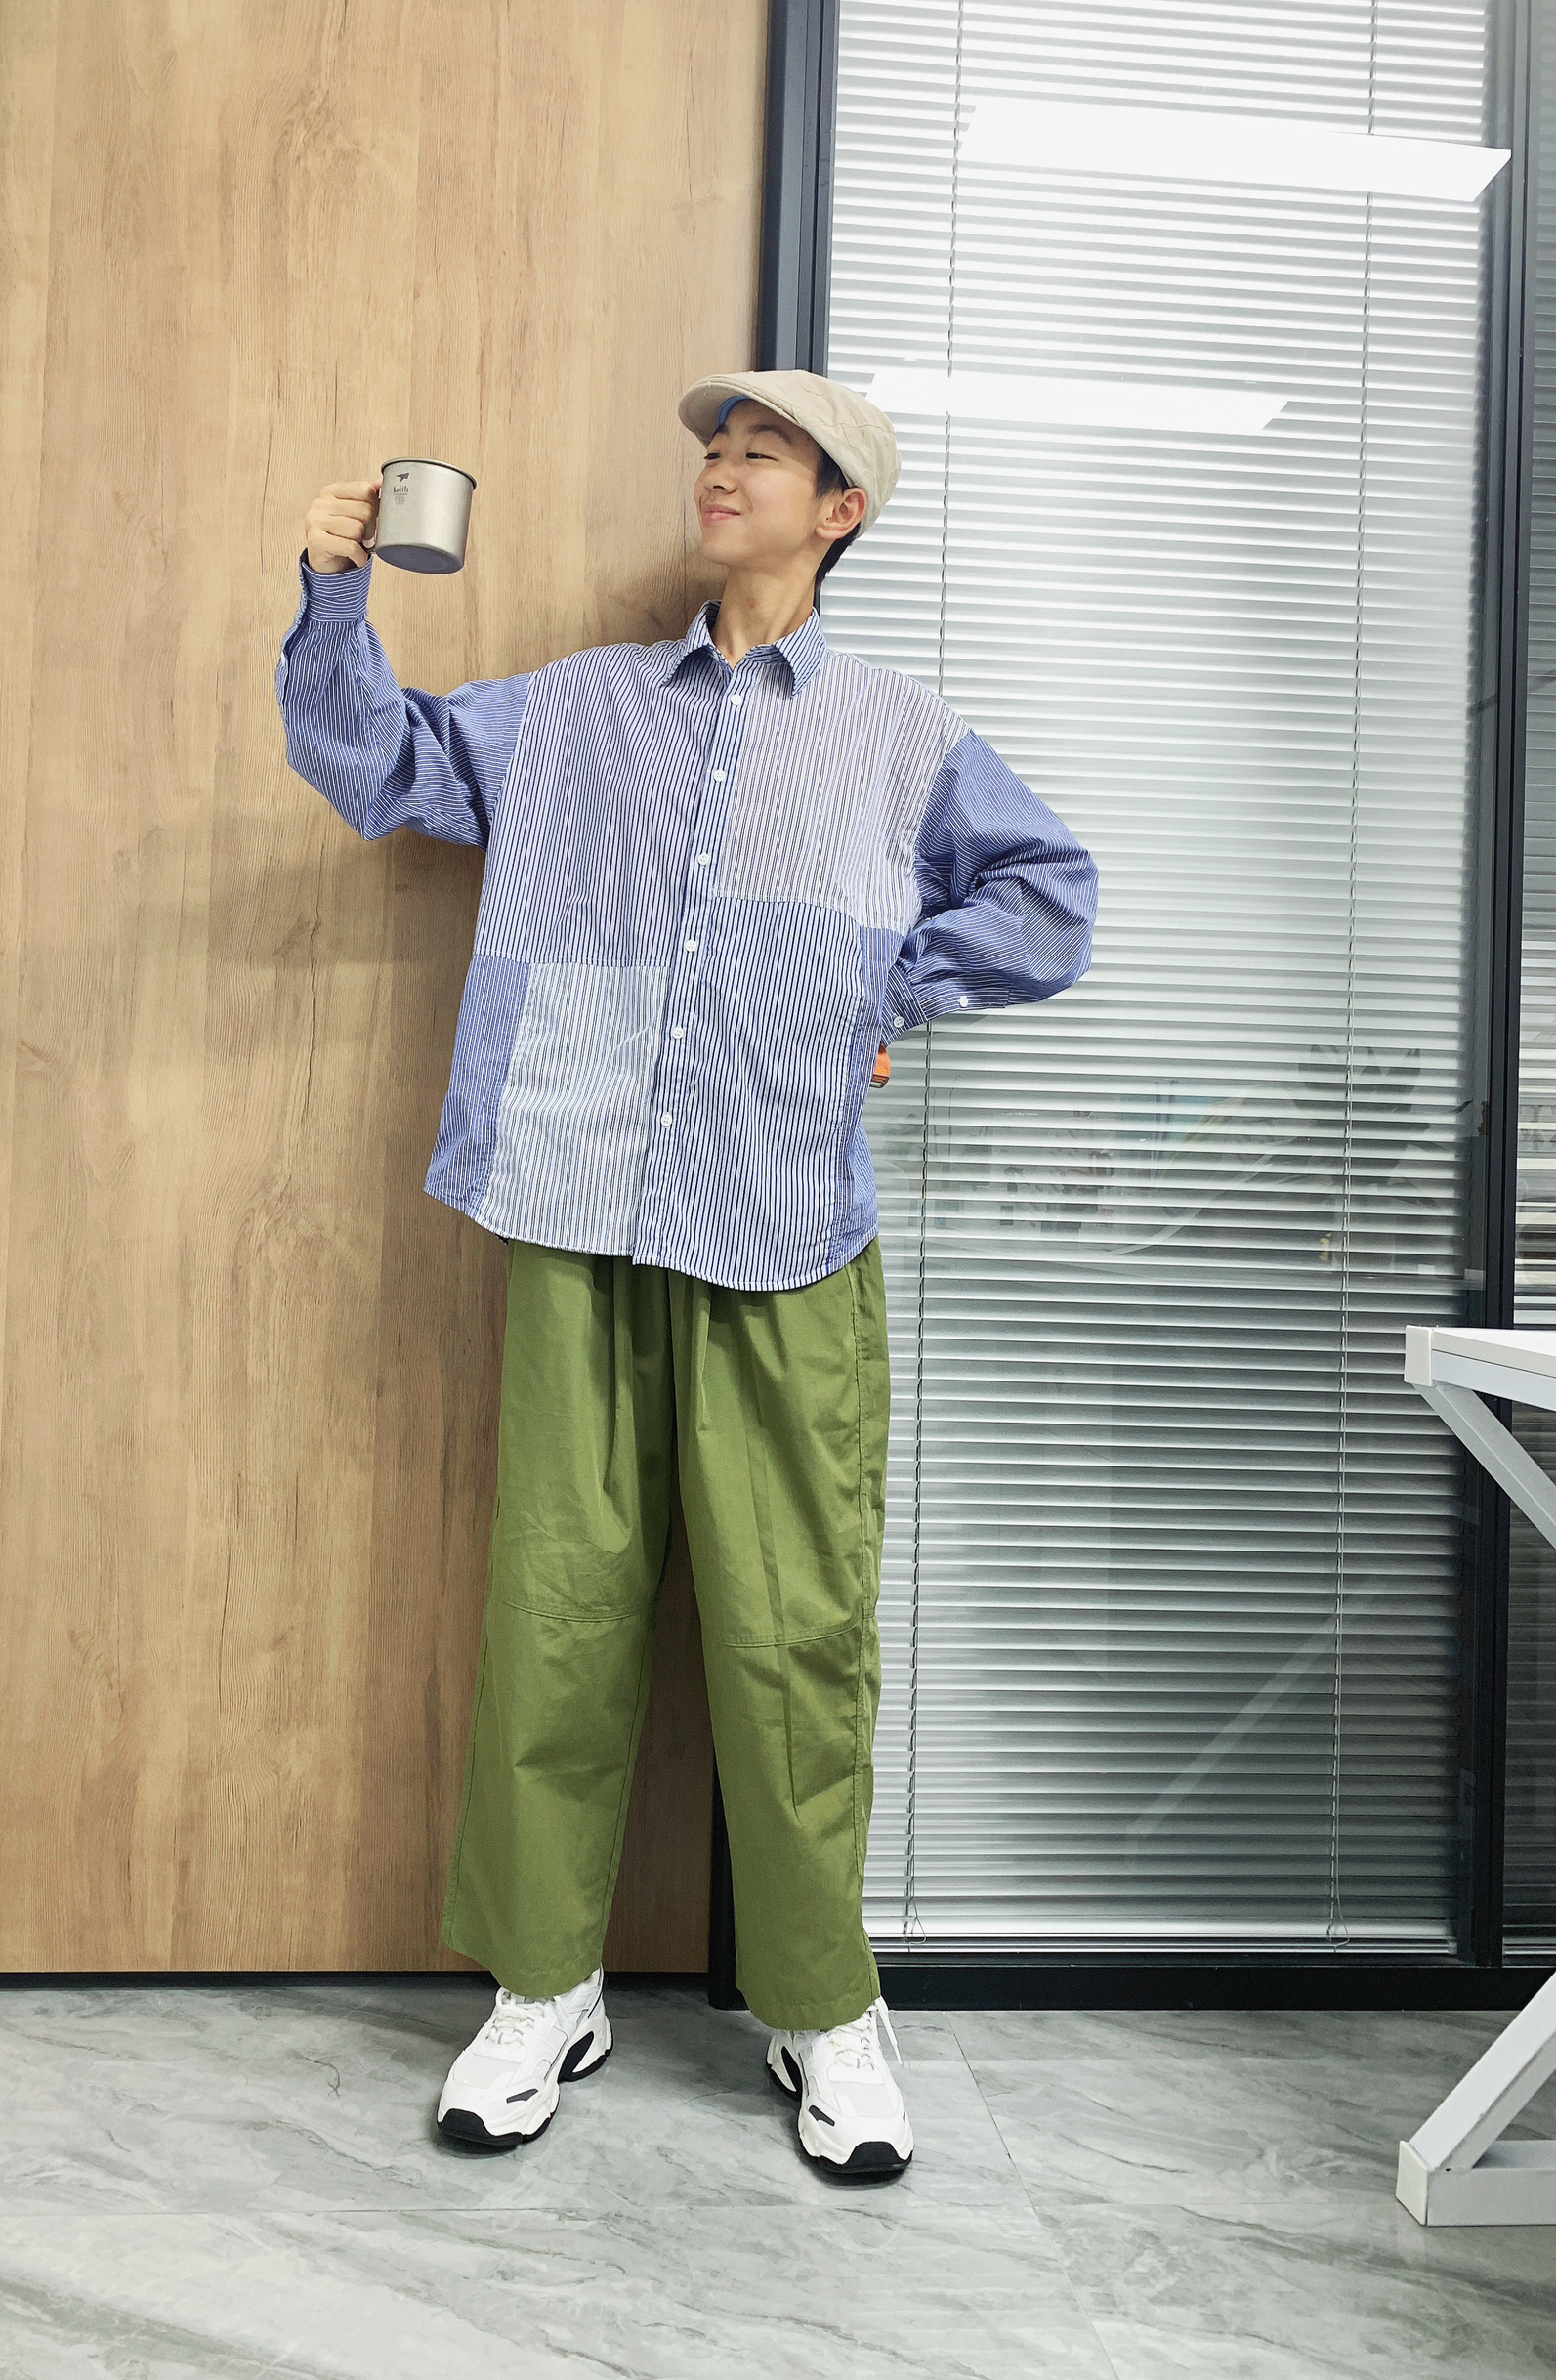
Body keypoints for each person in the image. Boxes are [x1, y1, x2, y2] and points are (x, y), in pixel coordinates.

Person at [277, 370, 1097, 2179]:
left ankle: (820, 2008)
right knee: (556, 1616)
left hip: (784, 1221)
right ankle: (542, 1988)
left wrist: (886, 984)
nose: (721, 467)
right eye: (713, 446)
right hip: (574, 1203)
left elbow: (1050, 895)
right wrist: (336, 595)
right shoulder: (574, 709)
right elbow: (378, 765)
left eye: (763, 452)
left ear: (838, 513)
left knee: (793, 1638)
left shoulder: (899, 737)